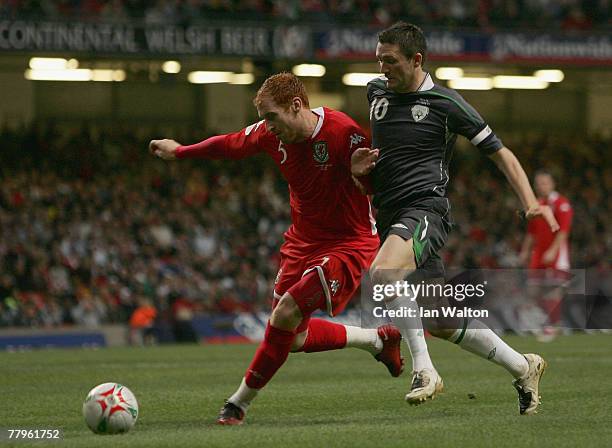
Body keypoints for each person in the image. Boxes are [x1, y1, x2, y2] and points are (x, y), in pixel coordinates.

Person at [149, 72, 403, 425]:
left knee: (285, 313)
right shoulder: (271, 135)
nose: (267, 125)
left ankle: (237, 404)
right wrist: (181, 151)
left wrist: (365, 176)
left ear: (296, 105)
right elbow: (230, 144)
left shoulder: (344, 132)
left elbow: (384, 184)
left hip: (349, 243)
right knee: (294, 337)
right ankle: (377, 340)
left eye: (271, 116)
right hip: (302, 243)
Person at [351, 22, 559, 415]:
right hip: (390, 214)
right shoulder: (375, 92)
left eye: (391, 61)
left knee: (380, 277)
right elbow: (384, 157)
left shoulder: (447, 105)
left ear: (417, 59)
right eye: (379, 60)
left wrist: (530, 201)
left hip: (424, 210)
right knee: (441, 319)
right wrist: (358, 170)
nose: (383, 69)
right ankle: (524, 366)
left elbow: (501, 153)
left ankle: (425, 370)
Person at [520, 171, 573, 341]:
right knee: (533, 290)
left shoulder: (562, 204)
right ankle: (541, 323)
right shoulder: (536, 205)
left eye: (544, 183)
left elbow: (563, 231)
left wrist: (553, 250)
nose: (540, 186)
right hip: (538, 255)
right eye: (538, 183)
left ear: (552, 184)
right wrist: (525, 251)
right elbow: (531, 233)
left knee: (553, 290)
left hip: (556, 256)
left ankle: (553, 326)